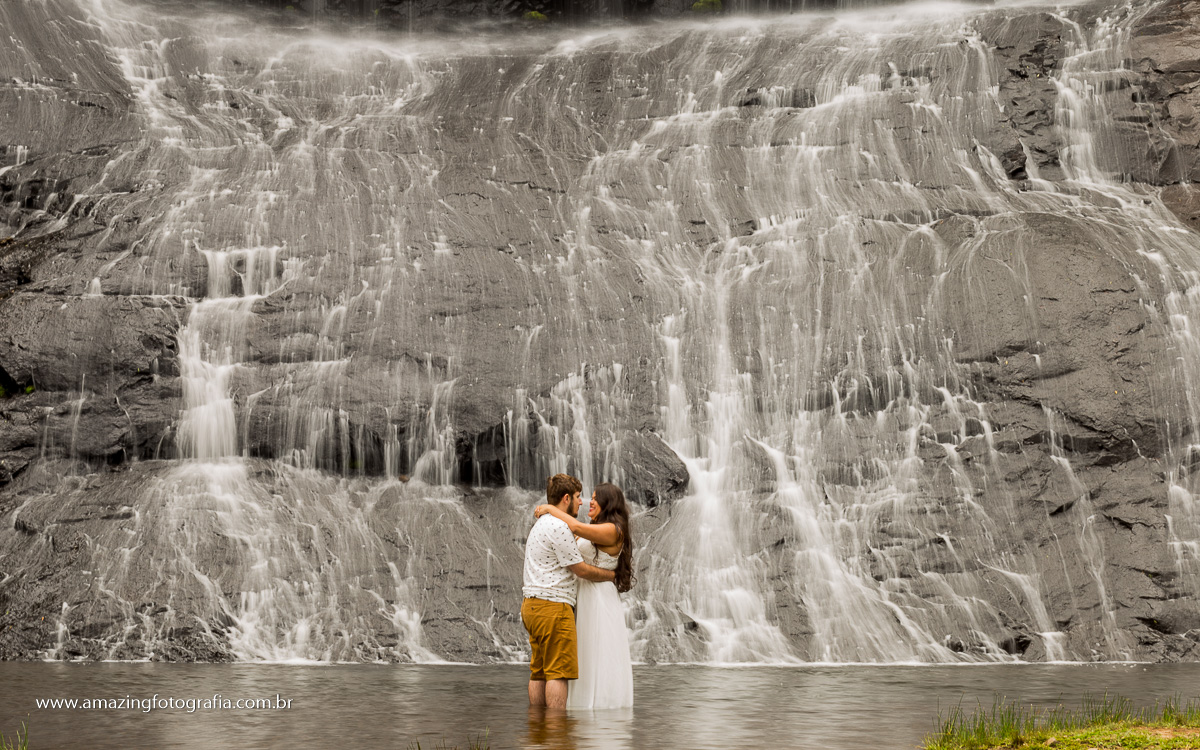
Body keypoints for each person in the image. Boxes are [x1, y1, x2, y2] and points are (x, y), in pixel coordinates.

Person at [534, 482, 634, 709]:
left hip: (598, 597)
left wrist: (550, 509)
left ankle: (597, 706)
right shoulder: (597, 527)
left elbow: (575, 527)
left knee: (596, 650)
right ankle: (573, 711)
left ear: (608, 502)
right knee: (580, 651)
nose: (590, 502)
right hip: (582, 594)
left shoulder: (613, 529)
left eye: (596, 498)